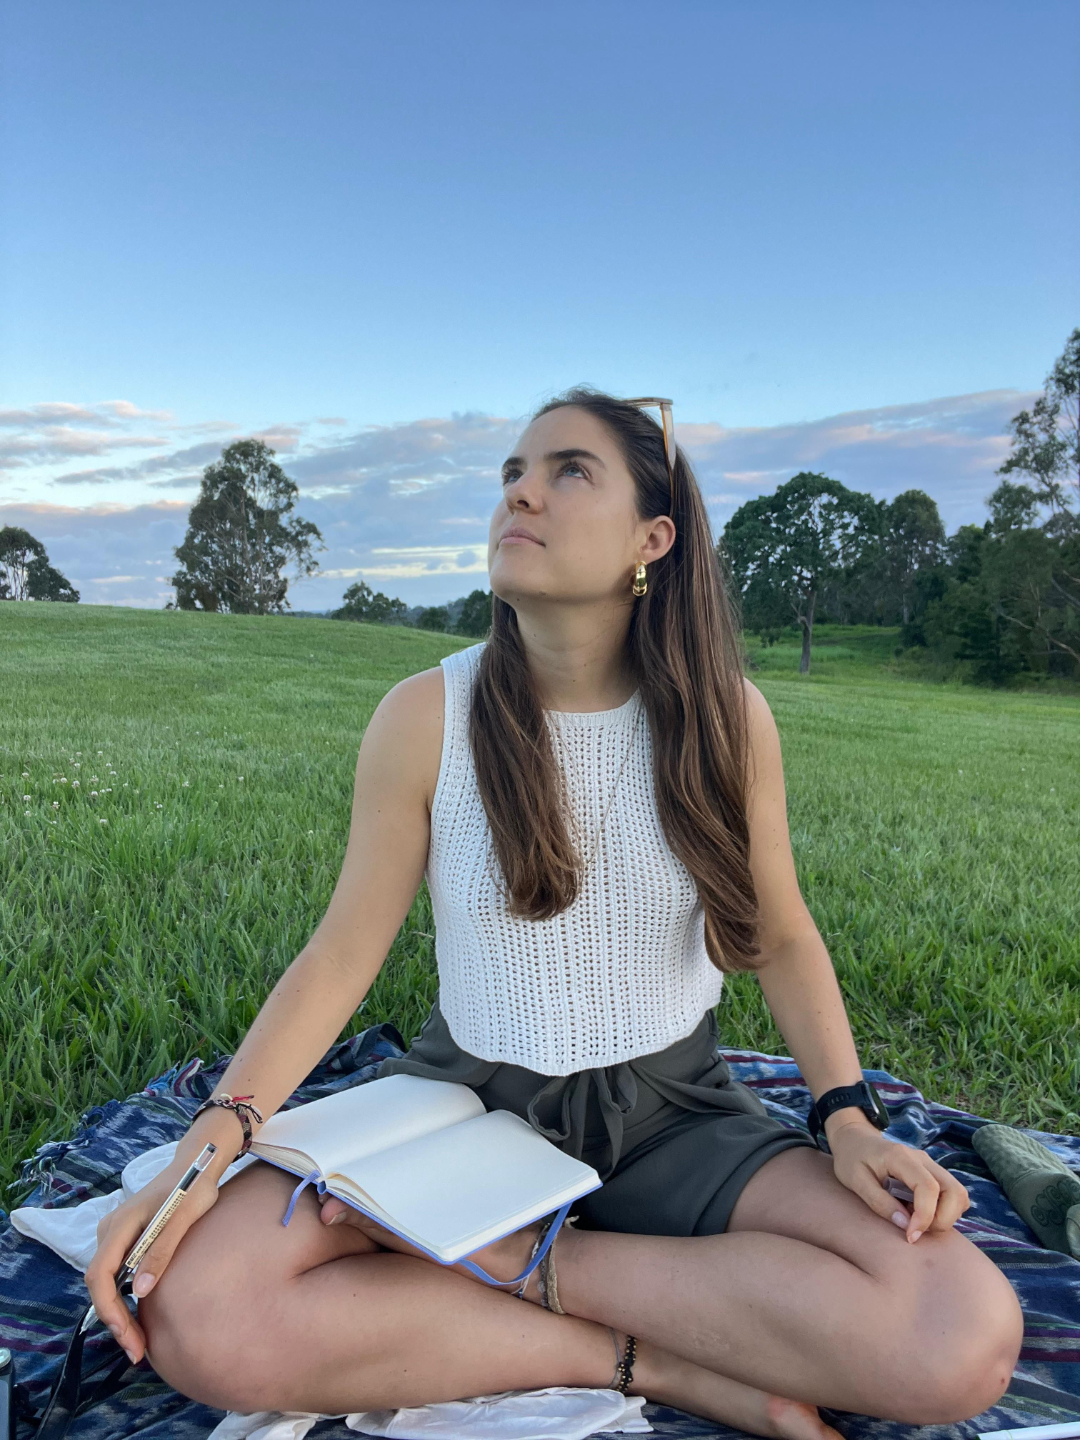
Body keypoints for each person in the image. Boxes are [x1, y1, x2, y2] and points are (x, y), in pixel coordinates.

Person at [86, 388, 1023, 1438]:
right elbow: (341, 954)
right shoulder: (426, 715)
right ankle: (653, 1362)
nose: (521, 492)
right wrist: (212, 1141)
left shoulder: (727, 719)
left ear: (652, 539)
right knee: (198, 1306)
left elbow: (784, 933)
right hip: (466, 1103)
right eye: (513, 473)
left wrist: (846, 1118)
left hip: (675, 1117)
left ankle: (526, 1264)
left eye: (570, 470)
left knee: (961, 1333)